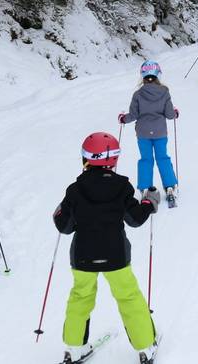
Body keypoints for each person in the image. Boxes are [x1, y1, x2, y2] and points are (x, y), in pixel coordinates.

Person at [53, 132, 160, 363]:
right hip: (115, 256)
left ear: (86, 158)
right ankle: (145, 346)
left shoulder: (75, 190)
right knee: (128, 296)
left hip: (83, 256)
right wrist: (149, 203)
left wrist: (60, 211)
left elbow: (64, 226)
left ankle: (74, 349)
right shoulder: (122, 187)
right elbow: (135, 219)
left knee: (80, 298)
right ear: (113, 159)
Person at [118, 61, 179, 207]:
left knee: (146, 159)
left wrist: (123, 118)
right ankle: (170, 187)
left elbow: (133, 115)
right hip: (160, 133)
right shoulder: (164, 92)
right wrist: (175, 113)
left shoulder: (138, 94)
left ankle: (145, 189)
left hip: (143, 133)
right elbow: (169, 115)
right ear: (158, 75)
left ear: (143, 76)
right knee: (163, 158)